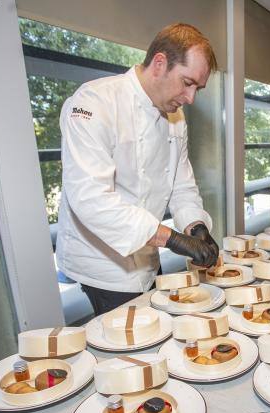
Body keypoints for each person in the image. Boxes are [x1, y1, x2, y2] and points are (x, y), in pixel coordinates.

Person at [56, 23, 220, 316]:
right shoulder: (94, 102)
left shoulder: (177, 119)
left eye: (198, 88)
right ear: (159, 63)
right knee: (130, 347)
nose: (191, 98)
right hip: (103, 262)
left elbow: (182, 186)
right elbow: (91, 198)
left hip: (147, 253)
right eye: (187, 82)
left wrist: (196, 228)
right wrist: (173, 240)